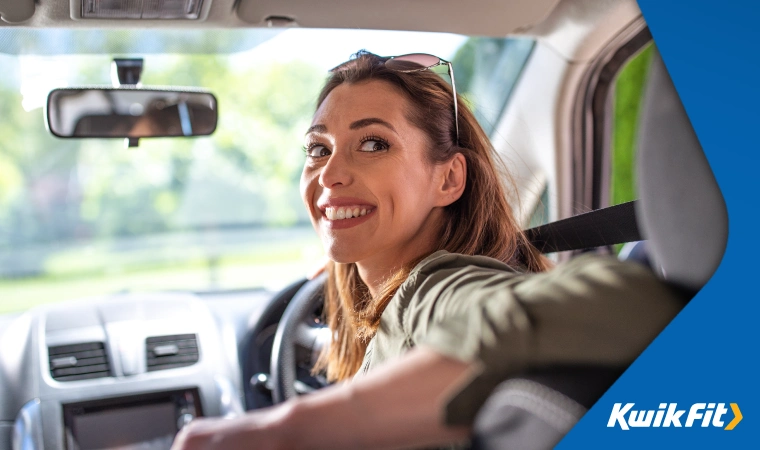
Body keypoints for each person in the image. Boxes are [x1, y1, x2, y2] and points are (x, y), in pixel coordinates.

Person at [171, 51, 683, 450]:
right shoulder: (389, 292)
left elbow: (623, 302)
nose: (328, 174)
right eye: (318, 148)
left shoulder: (434, 286)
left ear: (449, 179)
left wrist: (282, 430)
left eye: (373, 144)